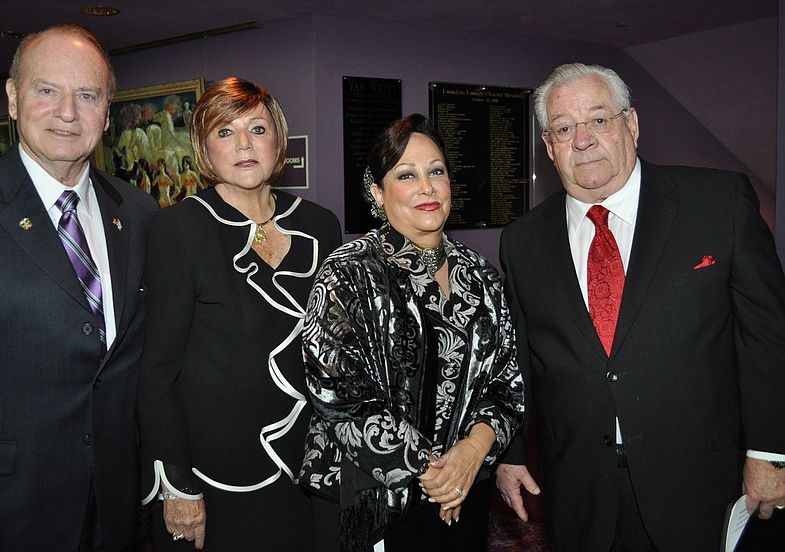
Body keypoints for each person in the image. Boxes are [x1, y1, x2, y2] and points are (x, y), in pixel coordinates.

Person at [496, 62, 785, 551]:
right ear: (549, 146)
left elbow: (769, 336)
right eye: (564, 129)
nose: (582, 140)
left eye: (598, 119)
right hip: (578, 488)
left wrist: (771, 452)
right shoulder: (522, 241)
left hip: (699, 480)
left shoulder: (718, 203)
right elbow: (521, 359)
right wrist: (512, 452)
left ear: (631, 124)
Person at [0, 24, 157, 551]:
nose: (67, 113)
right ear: (13, 98)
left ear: (108, 111)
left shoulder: (139, 212)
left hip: (114, 508)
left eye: (88, 95)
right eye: (47, 90)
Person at [299, 113, 525, 551]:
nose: (427, 187)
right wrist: (436, 471)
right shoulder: (349, 272)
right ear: (377, 192)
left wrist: (473, 452)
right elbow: (338, 391)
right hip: (367, 497)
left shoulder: (480, 275)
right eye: (406, 175)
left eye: (436, 172)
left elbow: (507, 383)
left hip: (464, 489)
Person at [137, 77, 343, 551]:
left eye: (258, 128)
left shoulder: (320, 224)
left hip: (312, 459)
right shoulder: (177, 230)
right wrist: (176, 484)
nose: (245, 144)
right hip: (217, 471)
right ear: (204, 149)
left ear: (279, 140)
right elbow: (157, 372)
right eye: (225, 132)